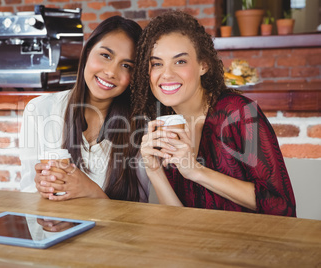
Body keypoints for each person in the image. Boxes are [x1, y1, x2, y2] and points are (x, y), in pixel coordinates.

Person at [130, 11, 296, 216]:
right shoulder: (168, 125)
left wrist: (195, 171)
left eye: (180, 61)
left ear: (203, 65)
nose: (167, 74)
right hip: (201, 245)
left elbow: (280, 204)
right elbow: (178, 221)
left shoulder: (239, 113)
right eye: (157, 63)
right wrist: (153, 170)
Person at [20, 16, 149, 202]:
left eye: (126, 65)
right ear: (87, 52)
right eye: (106, 55)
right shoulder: (39, 110)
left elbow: (145, 215)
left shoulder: (142, 127)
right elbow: (28, 194)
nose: (111, 72)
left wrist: (92, 191)